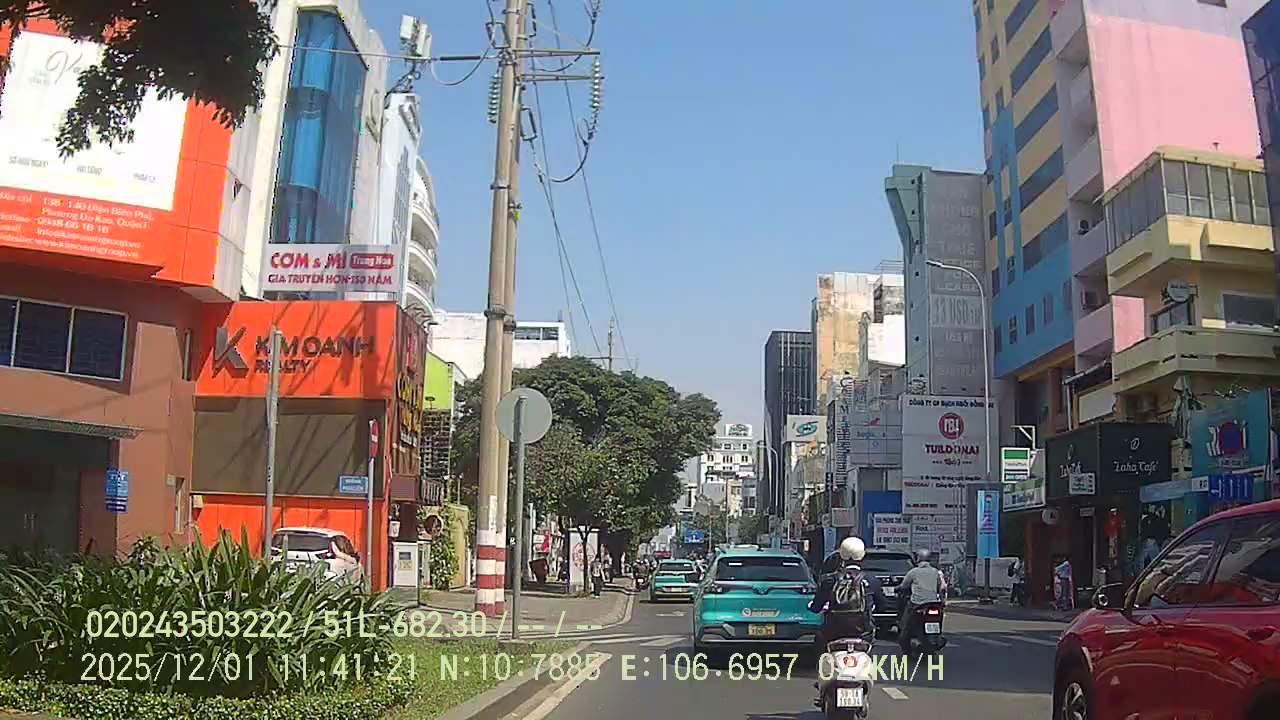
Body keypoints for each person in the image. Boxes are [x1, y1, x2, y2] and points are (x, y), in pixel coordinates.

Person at [808, 536, 878, 646]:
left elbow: (816, 607)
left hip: (833, 633)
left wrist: (813, 606)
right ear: (862, 555)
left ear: (841, 555)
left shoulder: (829, 580)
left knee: (818, 642)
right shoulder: (871, 580)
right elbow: (882, 604)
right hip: (863, 633)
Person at [898, 549, 947, 633]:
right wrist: (942, 601)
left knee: (905, 622)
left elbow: (904, 586)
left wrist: (896, 588)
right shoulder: (935, 571)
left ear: (918, 558)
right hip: (934, 603)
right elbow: (940, 588)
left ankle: (905, 632)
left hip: (917, 603)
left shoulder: (913, 572)